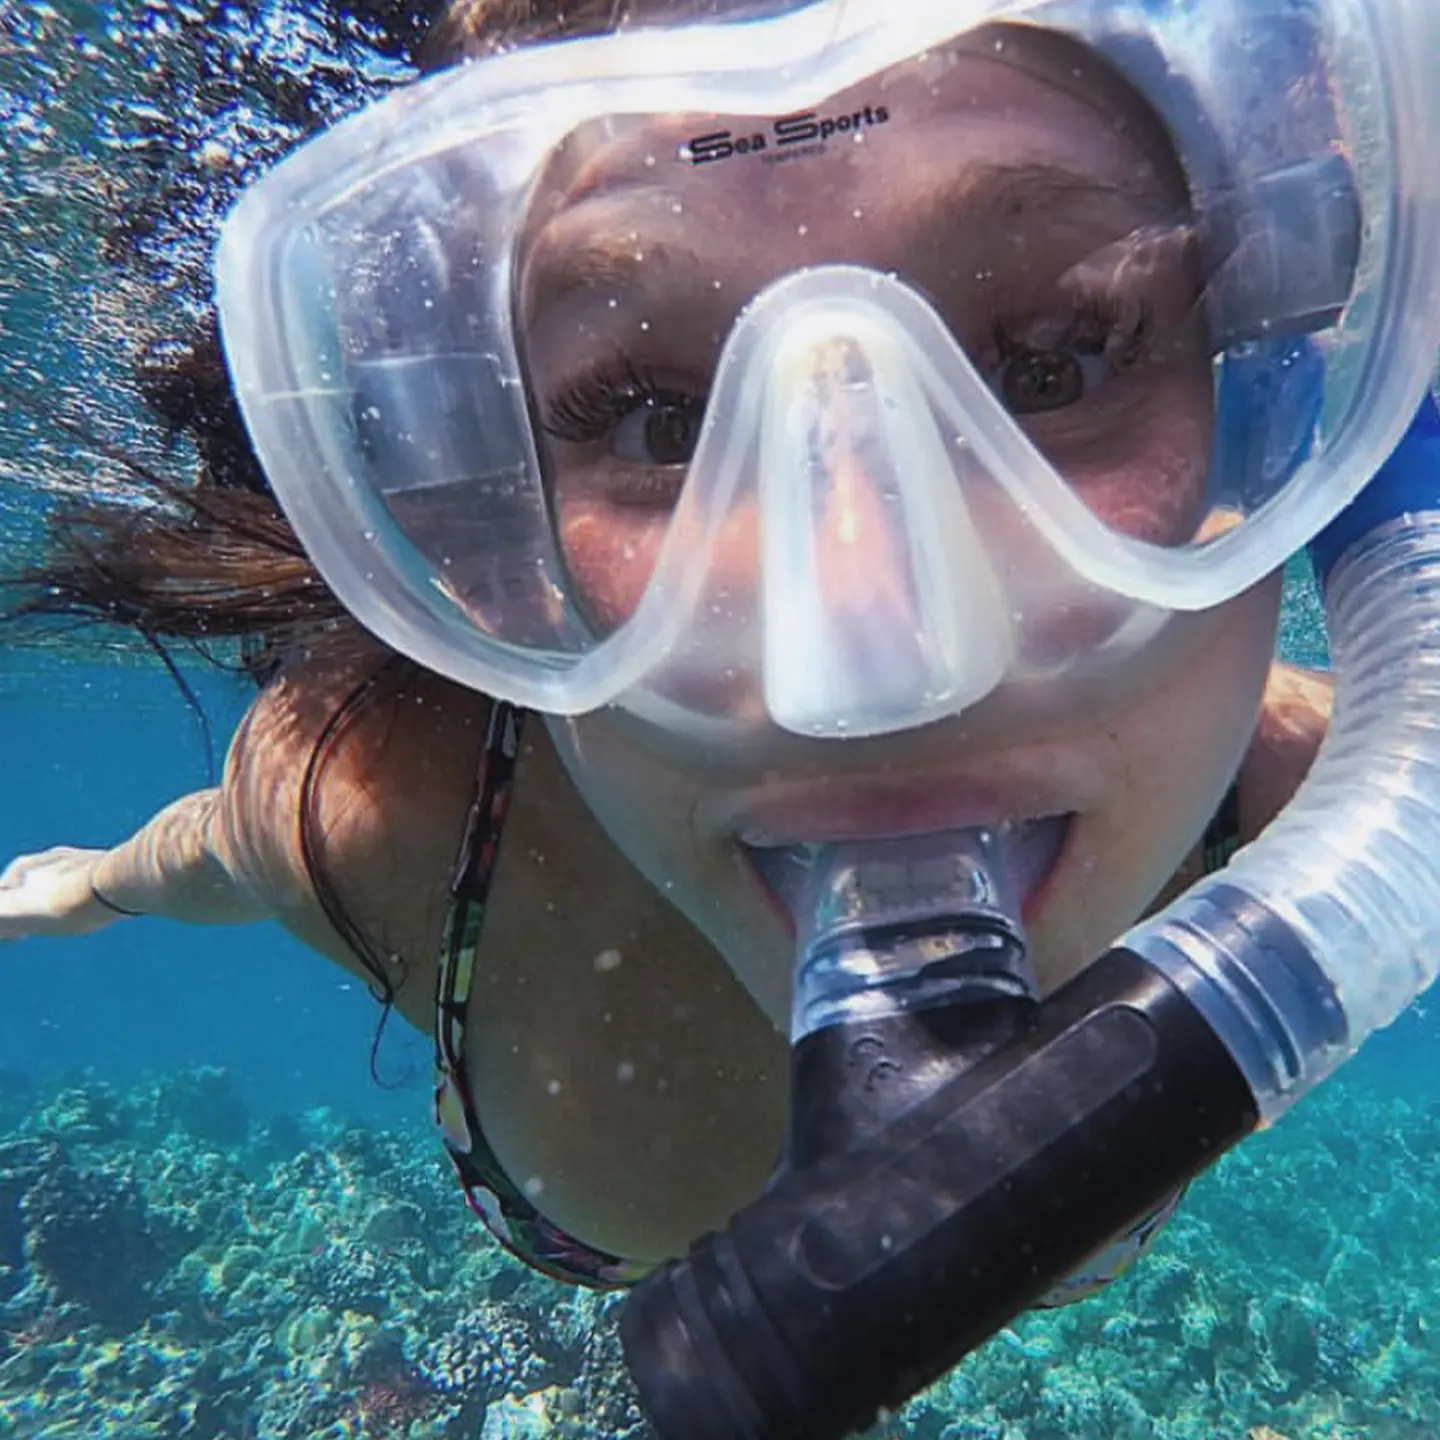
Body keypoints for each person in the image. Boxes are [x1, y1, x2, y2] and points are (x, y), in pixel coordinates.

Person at [0, 0, 1419, 1315]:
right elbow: (207, 854)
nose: (867, 675)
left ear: (1279, 385)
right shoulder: (394, 815)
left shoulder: (1346, 792)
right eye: (656, 419)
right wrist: (91, 890)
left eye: (1055, 360)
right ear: (486, 498)